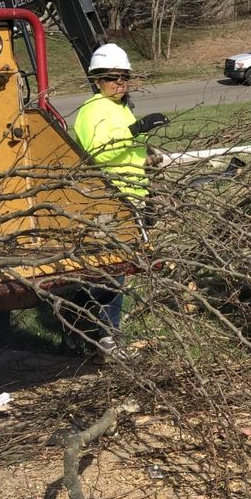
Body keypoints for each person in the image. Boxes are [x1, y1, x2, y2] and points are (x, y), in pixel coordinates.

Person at [73, 43, 168, 361]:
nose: (119, 83)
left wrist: (147, 150)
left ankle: (96, 335)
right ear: (97, 79)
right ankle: (105, 338)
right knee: (110, 273)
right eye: (112, 78)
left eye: (124, 77)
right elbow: (99, 152)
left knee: (119, 271)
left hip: (131, 198)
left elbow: (128, 147)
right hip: (107, 200)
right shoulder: (92, 111)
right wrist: (135, 131)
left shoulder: (121, 108)